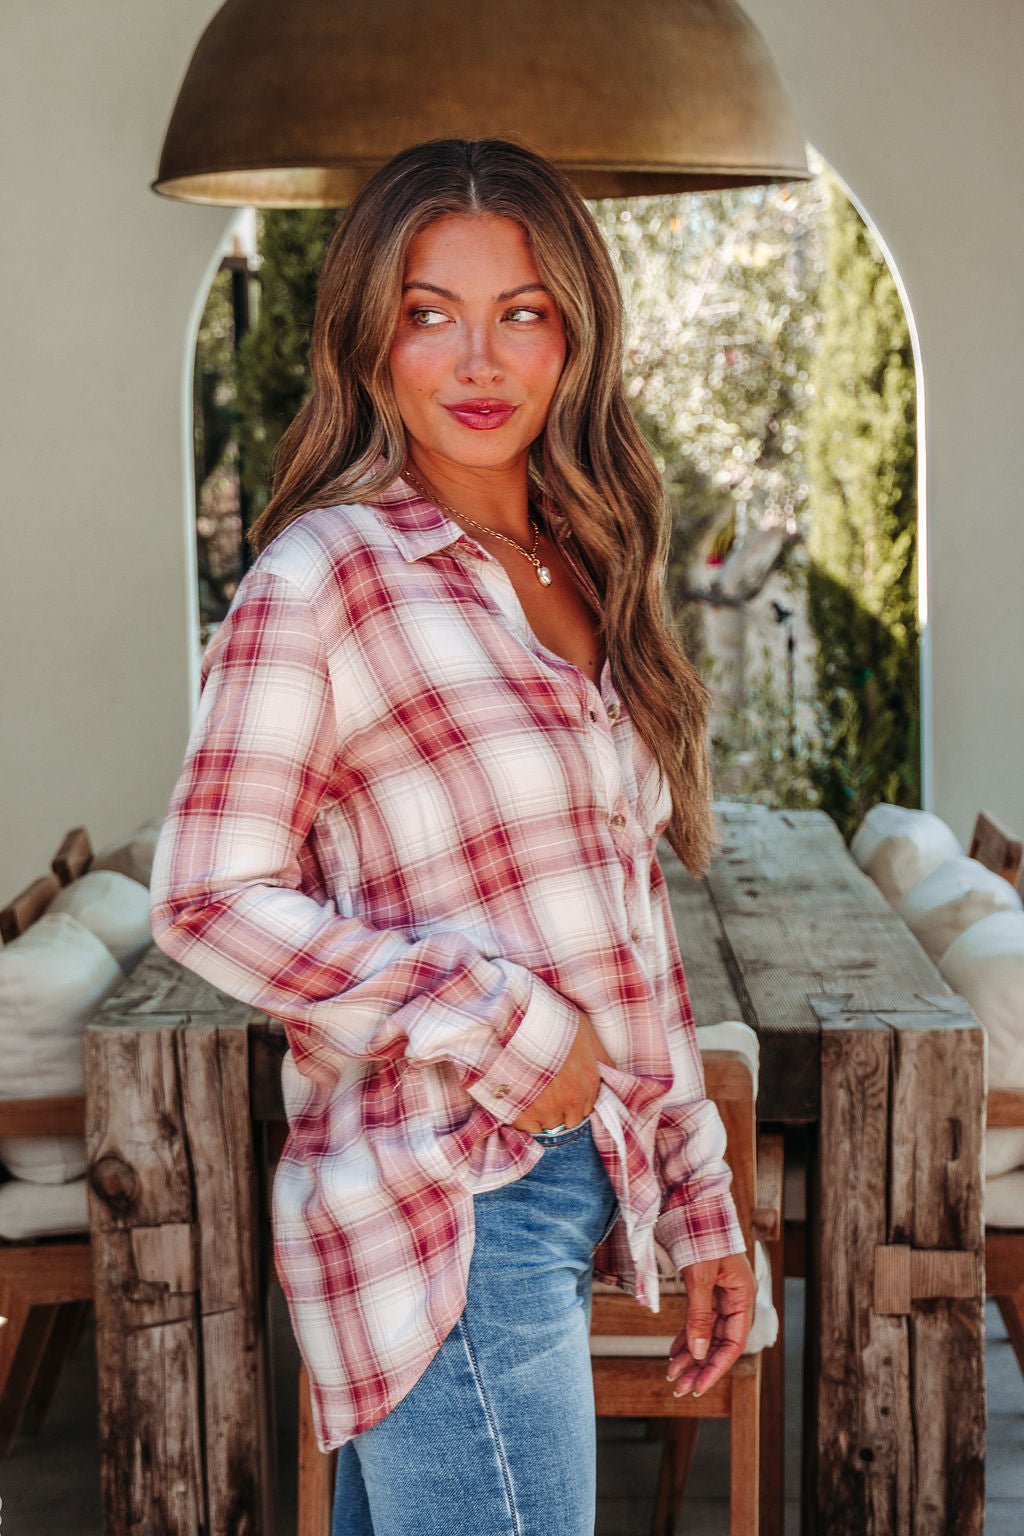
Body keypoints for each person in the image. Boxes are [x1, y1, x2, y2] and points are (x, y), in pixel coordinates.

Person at [150, 136, 756, 1536]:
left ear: (575, 338)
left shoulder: (583, 559)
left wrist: (700, 1199)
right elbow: (205, 895)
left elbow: (626, 935)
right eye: (432, 314)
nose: (478, 361)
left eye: (521, 313)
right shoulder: (323, 576)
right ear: (372, 342)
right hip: (443, 1207)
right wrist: (497, 1020)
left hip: (561, 1197)